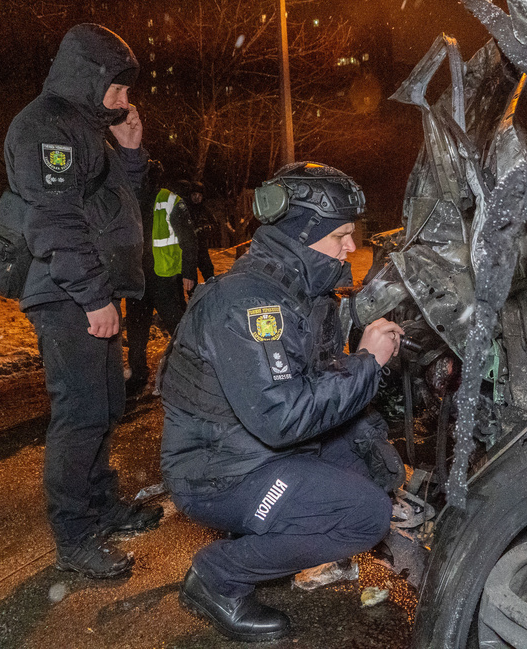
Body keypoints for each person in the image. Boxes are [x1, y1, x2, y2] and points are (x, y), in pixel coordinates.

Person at [159, 162, 406, 642]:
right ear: (306, 234)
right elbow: (284, 417)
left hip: (252, 450)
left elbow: (318, 380)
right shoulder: (249, 304)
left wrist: (365, 369)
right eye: (343, 235)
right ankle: (216, 576)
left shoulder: (301, 290)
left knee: (370, 466)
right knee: (364, 513)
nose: (352, 247)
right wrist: (367, 365)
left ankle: (270, 531)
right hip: (217, 473)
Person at [4, 23, 163, 579]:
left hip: (92, 291)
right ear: (90, 77)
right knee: (79, 415)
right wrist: (93, 296)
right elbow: (55, 220)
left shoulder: (83, 127)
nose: (125, 102)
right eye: (118, 90)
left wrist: (131, 152)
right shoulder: (47, 126)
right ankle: (74, 536)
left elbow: (114, 204)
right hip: (65, 292)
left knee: (106, 407)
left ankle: (102, 505)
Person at [125, 165, 200, 398]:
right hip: (137, 277)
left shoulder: (169, 200)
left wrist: (189, 271)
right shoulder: (127, 198)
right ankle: (138, 375)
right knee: (137, 330)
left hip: (163, 276)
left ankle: (193, 371)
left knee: (176, 325)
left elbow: (188, 237)